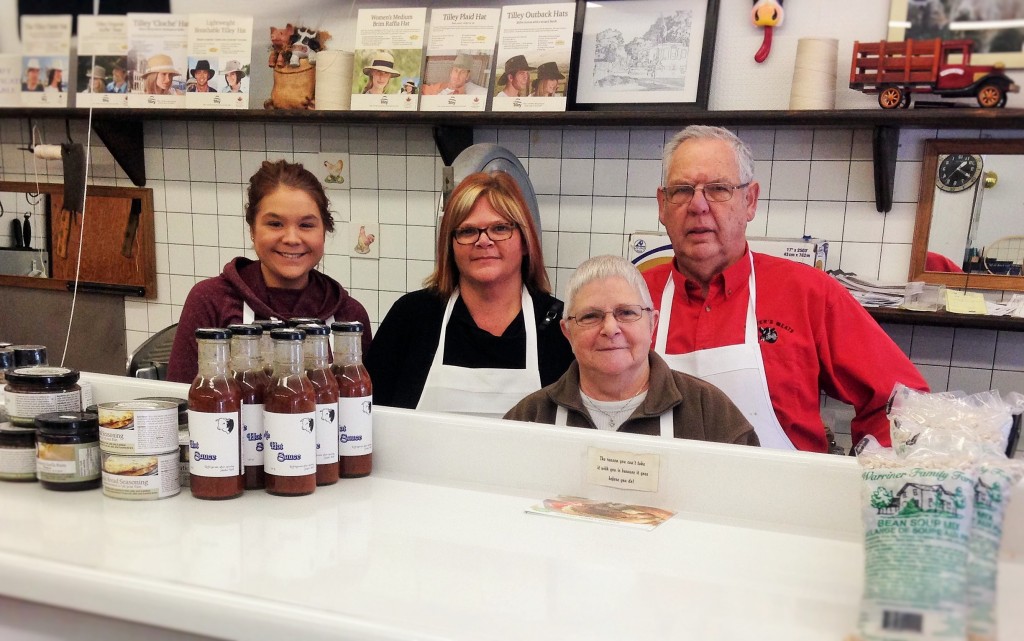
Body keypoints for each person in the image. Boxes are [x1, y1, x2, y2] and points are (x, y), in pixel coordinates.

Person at [644, 125, 930, 453]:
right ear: (662, 205)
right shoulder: (632, 300)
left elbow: (904, 402)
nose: (698, 205)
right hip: (663, 499)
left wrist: (864, 475)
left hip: (783, 499)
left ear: (750, 201)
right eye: (682, 190)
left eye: (718, 188)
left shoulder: (808, 293)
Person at [366, 171, 574, 417]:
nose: (483, 241)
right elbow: (366, 416)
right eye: (467, 231)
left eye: (499, 228)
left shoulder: (561, 327)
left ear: (526, 242)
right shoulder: (413, 317)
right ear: (450, 245)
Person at [505, 256, 758, 446]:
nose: (610, 328)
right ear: (567, 331)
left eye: (626, 313)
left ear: (652, 323)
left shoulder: (710, 413)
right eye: (590, 316)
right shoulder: (530, 416)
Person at [167, 160, 371, 383]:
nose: (292, 239)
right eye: (275, 224)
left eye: (306, 225)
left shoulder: (350, 316)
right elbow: (184, 403)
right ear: (252, 229)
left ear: (324, 231)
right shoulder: (211, 300)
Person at [421, 52, 487, 96]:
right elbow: (419, 89)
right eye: (456, 70)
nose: (457, 75)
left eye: (462, 72)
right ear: (451, 72)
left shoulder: (462, 93)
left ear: (467, 76)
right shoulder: (440, 86)